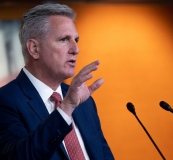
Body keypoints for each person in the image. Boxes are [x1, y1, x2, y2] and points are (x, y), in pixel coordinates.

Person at [0, 3, 114, 160]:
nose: (76, 49)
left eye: (76, 40)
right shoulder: (5, 100)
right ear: (34, 48)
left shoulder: (84, 102)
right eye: (64, 39)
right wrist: (66, 108)